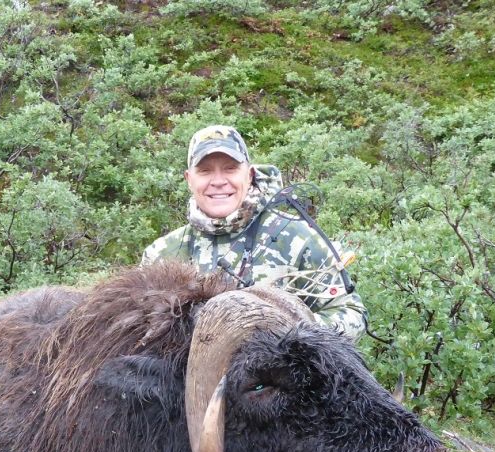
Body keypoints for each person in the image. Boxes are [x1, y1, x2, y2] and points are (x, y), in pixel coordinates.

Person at [142, 125, 367, 340]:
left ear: (249, 175)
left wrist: (287, 336)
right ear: (189, 179)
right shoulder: (160, 253)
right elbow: (138, 329)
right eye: (205, 171)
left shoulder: (298, 239)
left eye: (230, 168)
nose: (218, 181)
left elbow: (351, 315)